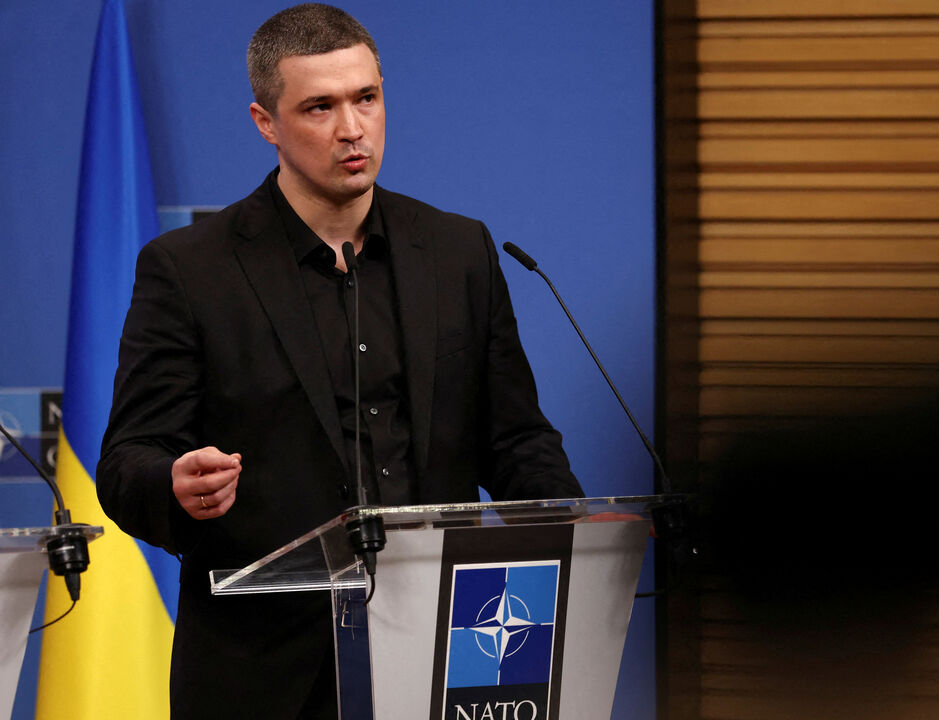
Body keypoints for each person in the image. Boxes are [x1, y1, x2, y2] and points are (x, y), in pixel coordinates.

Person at [95, 4, 583, 718]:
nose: (352, 129)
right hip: (267, 670)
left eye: (366, 99)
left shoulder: (458, 253)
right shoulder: (191, 270)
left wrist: (573, 531)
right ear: (267, 123)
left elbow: (514, 438)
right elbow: (127, 459)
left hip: (450, 652)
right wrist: (172, 484)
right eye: (320, 108)